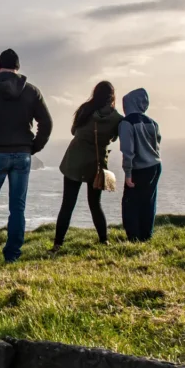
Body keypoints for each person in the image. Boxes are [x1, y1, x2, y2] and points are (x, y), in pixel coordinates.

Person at [0, 49, 53, 264]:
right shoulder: (32, 92)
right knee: (17, 208)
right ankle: (12, 256)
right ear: (18, 67)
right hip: (22, 155)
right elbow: (47, 123)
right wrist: (33, 147)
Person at [52, 81, 123, 249]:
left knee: (67, 205)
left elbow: (73, 131)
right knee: (95, 204)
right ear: (112, 97)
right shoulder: (117, 119)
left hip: (74, 160)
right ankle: (104, 240)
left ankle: (57, 244)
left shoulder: (85, 109)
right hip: (96, 164)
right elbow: (114, 138)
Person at [119, 88, 162, 242]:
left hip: (138, 169)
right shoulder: (152, 122)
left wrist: (128, 173)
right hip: (155, 166)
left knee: (130, 204)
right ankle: (146, 235)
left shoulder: (126, 123)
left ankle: (134, 237)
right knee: (148, 202)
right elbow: (157, 142)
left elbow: (127, 150)